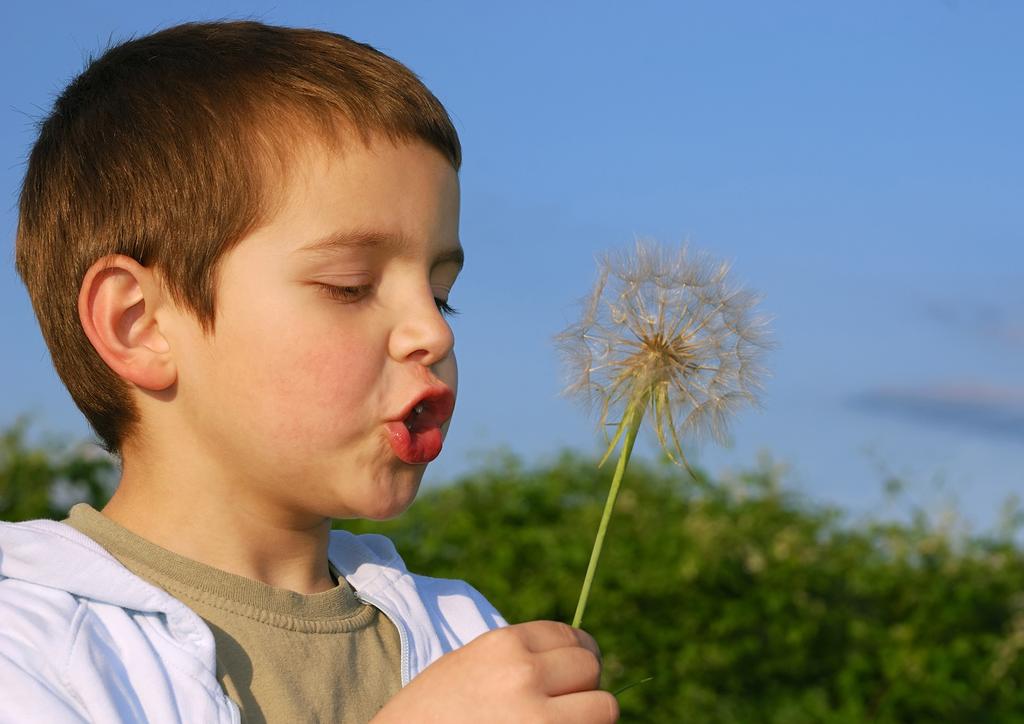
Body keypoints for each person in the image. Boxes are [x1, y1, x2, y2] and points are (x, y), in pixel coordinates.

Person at [0, 21, 618, 723]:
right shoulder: (33, 643)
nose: (432, 331)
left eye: (441, 293)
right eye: (350, 285)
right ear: (138, 323)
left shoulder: (465, 633)